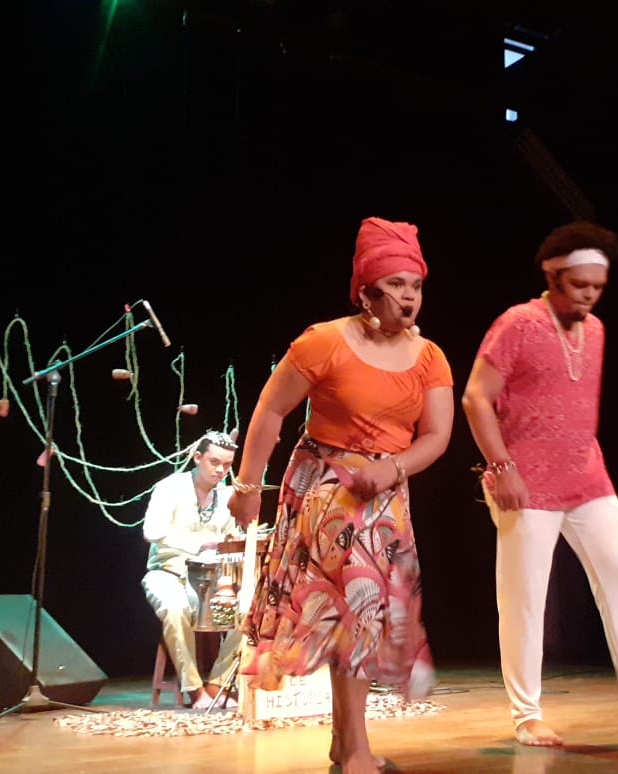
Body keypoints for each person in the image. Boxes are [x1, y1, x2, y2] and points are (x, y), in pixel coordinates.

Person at [229, 216, 454, 774]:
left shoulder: (430, 357)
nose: (408, 297)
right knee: (353, 611)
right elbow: (271, 410)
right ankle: (354, 751)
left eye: (416, 285)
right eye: (395, 284)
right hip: (326, 488)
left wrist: (392, 469)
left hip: (386, 498)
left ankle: (345, 745)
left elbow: (437, 436)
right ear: (366, 290)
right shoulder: (324, 341)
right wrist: (247, 486)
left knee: (360, 617)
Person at [460, 221, 618, 749]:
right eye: (579, 285)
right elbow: (476, 397)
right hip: (525, 483)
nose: (589, 296)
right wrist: (502, 467)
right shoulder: (519, 323)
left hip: (589, 478)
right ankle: (527, 715)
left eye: (598, 287)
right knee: (525, 599)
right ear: (552, 276)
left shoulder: (598, 331)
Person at [141, 430, 244, 710]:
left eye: (227, 465)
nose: (220, 470)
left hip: (212, 578)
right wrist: (199, 543)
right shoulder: (170, 488)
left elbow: (230, 539)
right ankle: (194, 689)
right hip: (168, 573)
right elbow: (151, 531)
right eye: (214, 462)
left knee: (250, 609)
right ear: (198, 458)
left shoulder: (226, 496)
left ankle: (217, 684)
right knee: (175, 608)